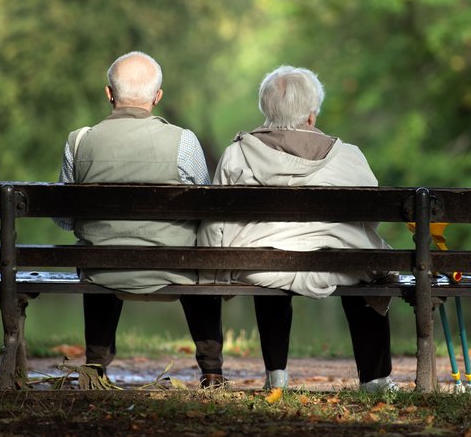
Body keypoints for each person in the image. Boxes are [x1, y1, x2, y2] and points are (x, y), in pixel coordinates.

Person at [198, 65, 397, 392]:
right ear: (311, 116)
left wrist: (215, 268)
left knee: (269, 255)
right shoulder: (348, 156)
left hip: (260, 266)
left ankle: (276, 377)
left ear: (266, 111)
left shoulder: (238, 154)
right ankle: (375, 379)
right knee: (366, 267)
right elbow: (369, 218)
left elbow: (216, 220)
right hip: (337, 264)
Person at [53, 51, 225, 388]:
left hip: (102, 270)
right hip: (176, 267)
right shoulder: (184, 142)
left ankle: (96, 368)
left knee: (97, 250)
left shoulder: (79, 141)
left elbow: (65, 219)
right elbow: (206, 210)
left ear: (109, 94)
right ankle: (212, 371)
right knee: (200, 254)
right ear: (158, 97)